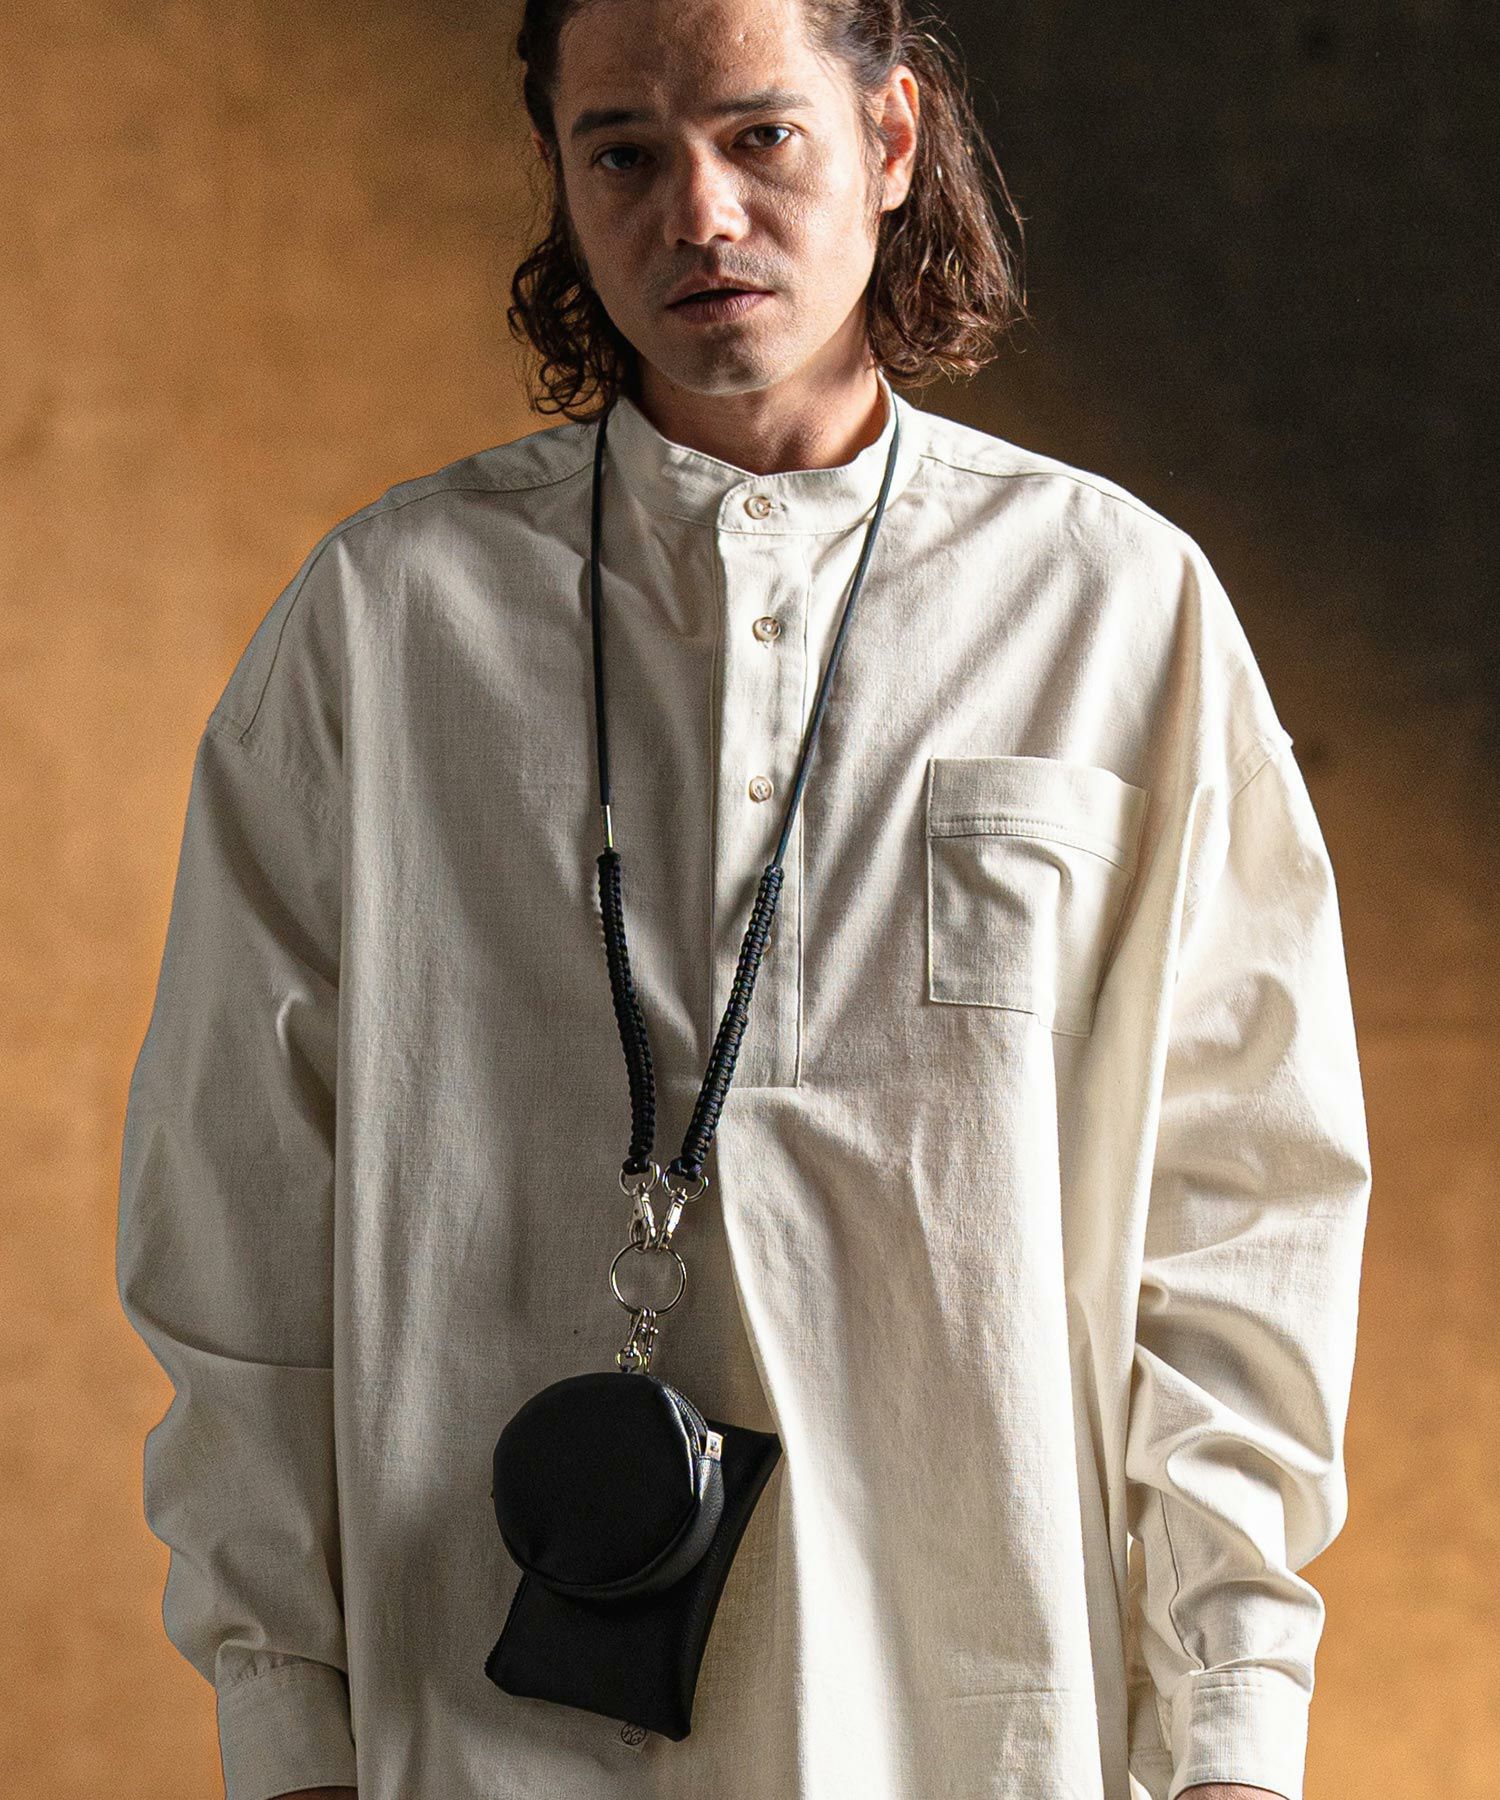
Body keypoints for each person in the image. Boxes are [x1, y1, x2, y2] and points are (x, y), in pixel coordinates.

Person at [114, 1, 1372, 1797]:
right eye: (624, 152)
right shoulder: (386, 626)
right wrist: (283, 1717)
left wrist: (1237, 1718)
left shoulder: (1116, 612)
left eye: (759, 135)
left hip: (976, 1708)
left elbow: (1242, 1206)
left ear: (890, 141)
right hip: (480, 1720)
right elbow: (231, 1210)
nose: (697, 213)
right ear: (559, 175)